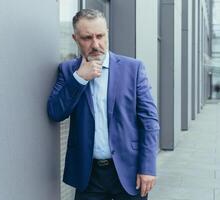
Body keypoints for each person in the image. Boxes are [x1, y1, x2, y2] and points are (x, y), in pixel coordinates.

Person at [47, 9, 160, 200]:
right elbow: (55, 112)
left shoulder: (133, 69)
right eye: (87, 38)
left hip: (129, 171)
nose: (95, 44)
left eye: (100, 36)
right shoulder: (68, 71)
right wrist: (79, 78)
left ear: (107, 32)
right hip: (88, 176)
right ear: (75, 38)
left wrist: (148, 167)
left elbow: (149, 121)